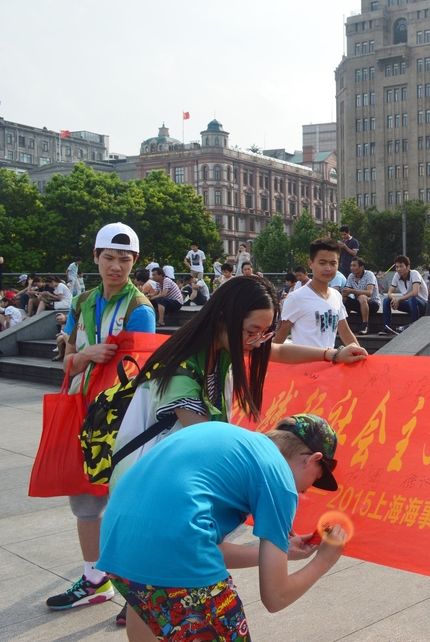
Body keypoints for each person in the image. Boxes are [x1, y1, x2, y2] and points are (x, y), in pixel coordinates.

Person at [98, 415, 348, 642]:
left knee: (145, 610)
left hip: (116, 544)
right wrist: (324, 561)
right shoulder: (279, 477)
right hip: (174, 549)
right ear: (312, 459)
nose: (304, 491)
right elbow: (276, 596)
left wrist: (286, 553)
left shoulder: (227, 436)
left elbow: (206, 546)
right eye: (314, 480)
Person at [108, 275, 367, 492]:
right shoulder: (181, 370)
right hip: (143, 489)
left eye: (263, 333)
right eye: (252, 332)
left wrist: (332, 354)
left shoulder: (221, 348)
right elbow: (208, 440)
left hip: (176, 479)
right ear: (224, 318)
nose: (257, 342)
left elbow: (275, 351)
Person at [47, 222, 156, 624]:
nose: (116, 266)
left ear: (134, 263)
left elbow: (139, 371)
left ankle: (139, 588)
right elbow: (69, 361)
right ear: (95, 258)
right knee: (86, 500)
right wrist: (86, 354)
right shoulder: (82, 302)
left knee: (129, 502)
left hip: (124, 417)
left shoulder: (139, 309)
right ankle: (95, 579)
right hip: (85, 411)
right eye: (109, 257)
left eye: (124, 260)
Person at [275, 239, 359, 349]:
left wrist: (364, 357)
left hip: (330, 363)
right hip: (305, 364)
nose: (328, 268)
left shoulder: (336, 296)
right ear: (310, 263)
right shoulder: (296, 298)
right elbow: (281, 335)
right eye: (322, 263)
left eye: (333, 263)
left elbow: (345, 333)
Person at [379, 255, 427, 335]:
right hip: (410, 305)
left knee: (412, 298)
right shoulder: (397, 276)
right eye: (397, 267)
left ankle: (414, 325)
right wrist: (393, 299)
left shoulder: (414, 273)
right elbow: (390, 292)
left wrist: (400, 300)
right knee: (387, 300)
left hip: (423, 305)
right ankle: (387, 327)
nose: (398, 269)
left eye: (401, 266)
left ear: (408, 267)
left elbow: (415, 292)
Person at [341, 257, 381, 335]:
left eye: (354, 266)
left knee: (362, 297)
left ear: (361, 267)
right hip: (359, 304)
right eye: (351, 266)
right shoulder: (351, 276)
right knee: (342, 298)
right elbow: (347, 290)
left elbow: (369, 293)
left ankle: (365, 326)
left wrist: (352, 291)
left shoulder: (369, 274)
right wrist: (344, 292)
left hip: (372, 304)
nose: (351, 268)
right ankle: (342, 323)